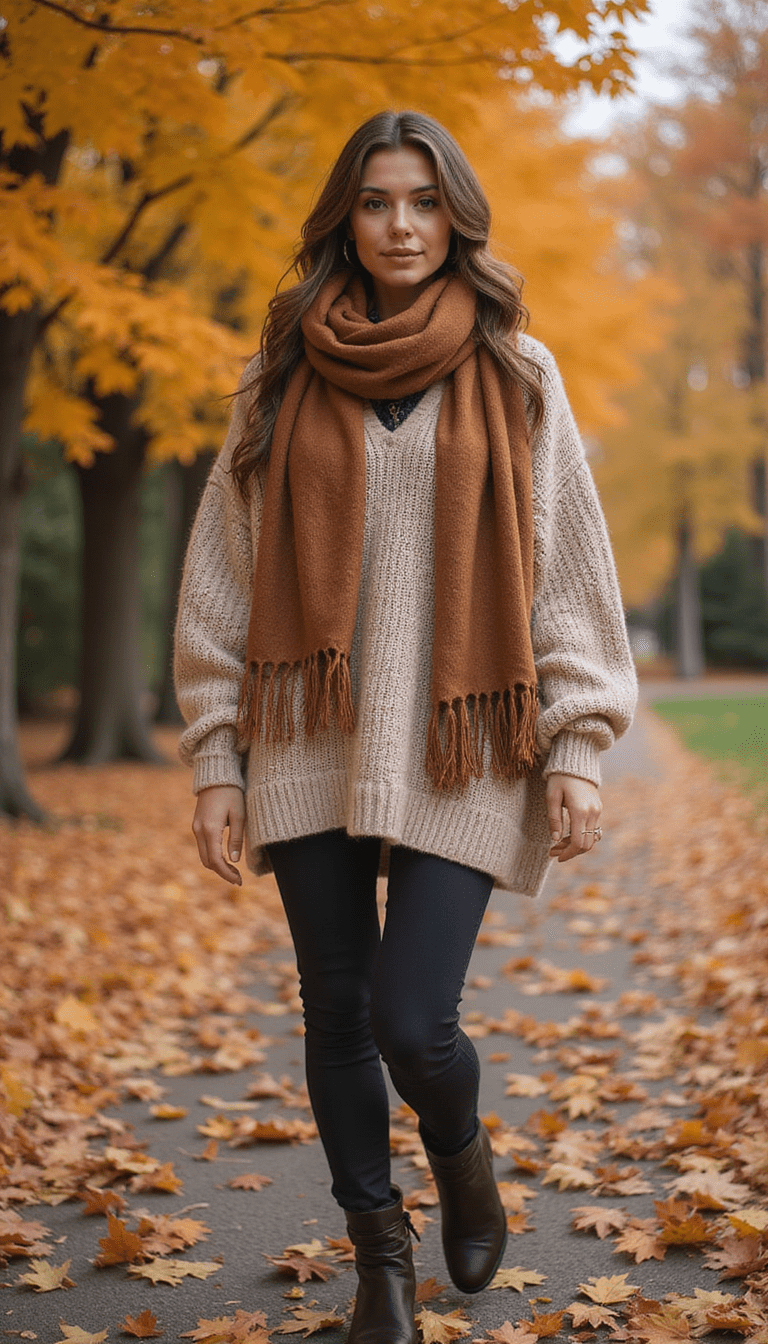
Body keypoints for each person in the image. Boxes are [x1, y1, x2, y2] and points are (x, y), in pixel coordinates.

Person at [174, 110, 637, 1344]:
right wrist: (218, 759)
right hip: (308, 734)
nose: (400, 226)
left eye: (423, 203)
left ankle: (464, 1154)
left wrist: (578, 746)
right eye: (377, 202)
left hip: (460, 742)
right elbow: (220, 576)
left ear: (457, 218)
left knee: (411, 1017)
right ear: (347, 217)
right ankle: (380, 1258)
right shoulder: (278, 374)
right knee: (335, 1004)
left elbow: (570, 572)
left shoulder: (517, 369)